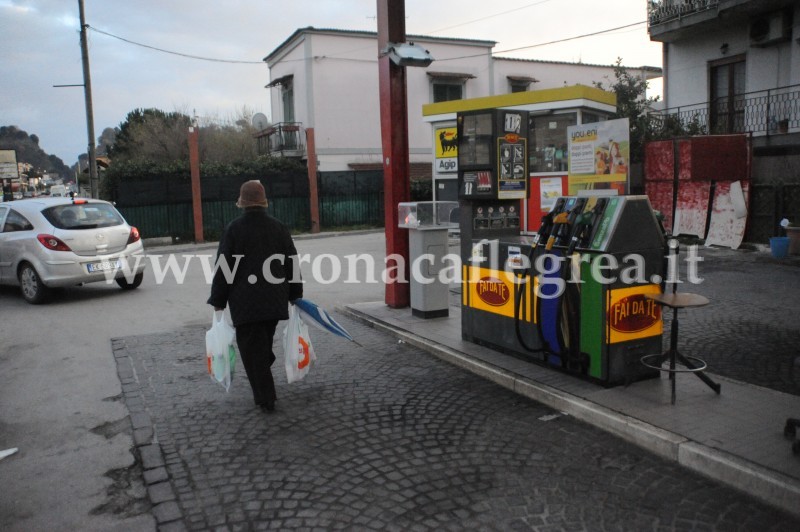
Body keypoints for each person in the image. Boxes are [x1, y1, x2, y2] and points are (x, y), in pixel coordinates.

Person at [207, 180, 302, 412]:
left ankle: (266, 398)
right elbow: (293, 262)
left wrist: (218, 300)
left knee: (251, 351)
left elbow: (224, 267)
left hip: (246, 304)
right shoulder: (278, 227)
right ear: (263, 202)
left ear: (242, 204)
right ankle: (263, 372)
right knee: (261, 345)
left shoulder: (234, 229)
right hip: (274, 301)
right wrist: (295, 294)